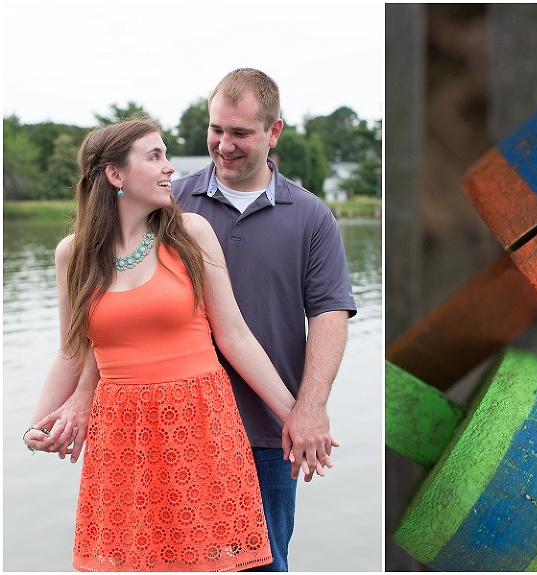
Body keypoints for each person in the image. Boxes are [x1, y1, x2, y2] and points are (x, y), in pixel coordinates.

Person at [31, 68, 358, 572]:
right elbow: (88, 343)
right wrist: (65, 406)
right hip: (129, 433)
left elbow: (297, 322)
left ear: (273, 134)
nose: (222, 145)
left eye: (240, 133)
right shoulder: (166, 205)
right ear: (117, 175)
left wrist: (304, 412)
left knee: (259, 562)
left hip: (237, 425)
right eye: (216, 130)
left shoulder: (304, 217)